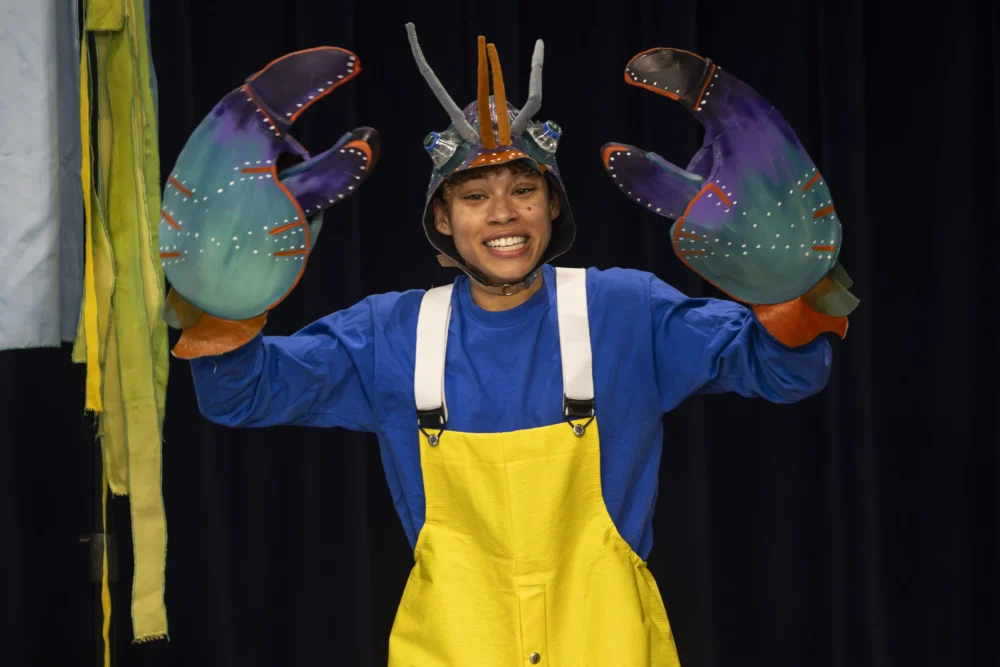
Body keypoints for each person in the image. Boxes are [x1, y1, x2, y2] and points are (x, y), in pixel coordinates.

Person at [165, 23, 856, 667]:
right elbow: (239, 393)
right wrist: (223, 290)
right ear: (442, 216)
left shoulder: (627, 312)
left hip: (607, 643)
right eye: (473, 196)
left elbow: (788, 372)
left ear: (553, 204)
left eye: (524, 188)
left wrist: (784, 278)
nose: (503, 213)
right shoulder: (390, 336)